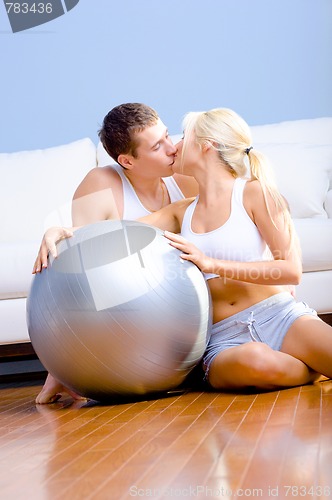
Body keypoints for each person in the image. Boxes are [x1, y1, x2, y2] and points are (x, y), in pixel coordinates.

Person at [43, 107, 332, 391]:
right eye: (162, 143)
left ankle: (311, 361)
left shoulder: (257, 193)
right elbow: (118, 234)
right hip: (222, 336)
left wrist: (212, 264)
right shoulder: (180, 211)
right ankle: (312, 372)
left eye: (179, 137)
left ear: (207, 147)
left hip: (278, 314)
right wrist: (61, 232)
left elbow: (291, 271)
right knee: (256, 362)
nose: (173, 147)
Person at [33, 102, 199, 404]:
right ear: (128, 160)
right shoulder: (102, 183)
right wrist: (56, 231)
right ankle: (59, 374)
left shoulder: (183, 176)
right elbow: (81, 272)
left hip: (180, 311)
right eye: (157, 146)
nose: (172, 148)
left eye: (166, 135)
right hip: (128, 318)